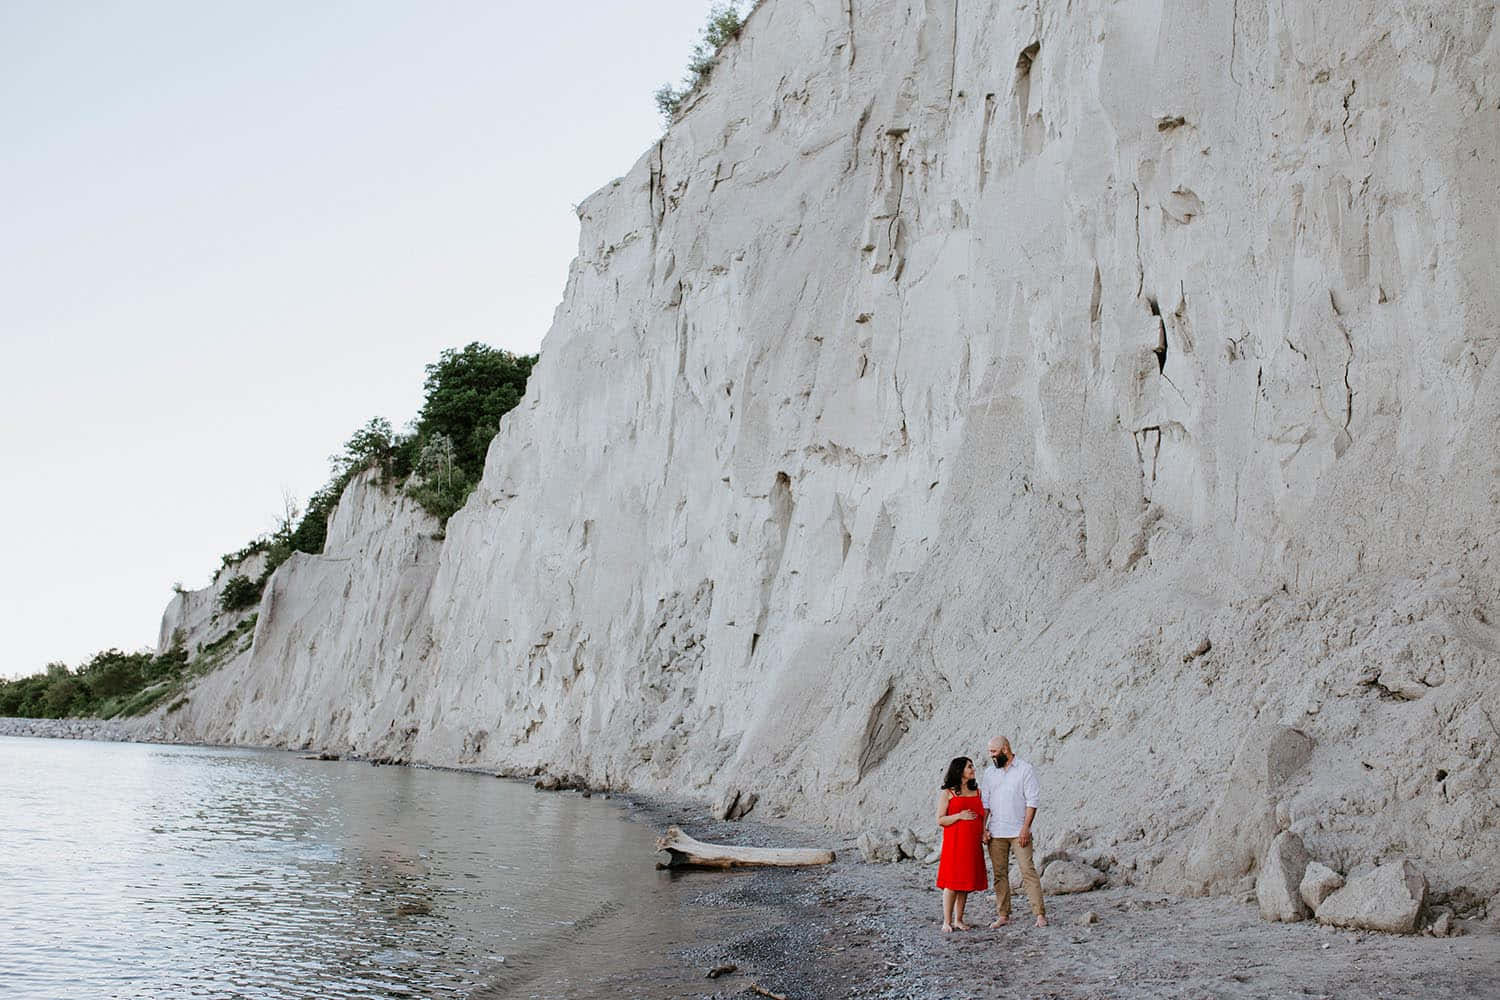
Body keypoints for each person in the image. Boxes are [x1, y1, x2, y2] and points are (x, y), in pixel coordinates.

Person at [979, 735, 1048, 927]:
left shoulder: (1025, 769)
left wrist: (1025, 828)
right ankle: (1003, 914)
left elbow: (1032, 801)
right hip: (996, 832)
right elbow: (985, 805)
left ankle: (1039, 914)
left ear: (1005, 749)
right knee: (1000, 874)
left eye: (993, 751)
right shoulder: (989, 773)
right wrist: (983, 829)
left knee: (1028, 871)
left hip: (1019, 831)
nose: (991, 755)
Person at [935, 756, 987, 932]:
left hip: (972, 843)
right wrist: (959, 816)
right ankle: (946, 921)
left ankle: (959, 919)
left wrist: (983, 832)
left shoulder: (977, 791)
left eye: (972, 766)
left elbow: (982, 815)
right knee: (951, 883)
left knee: (965, 883)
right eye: (969, 767)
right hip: (955, 843)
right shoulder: (948, 792)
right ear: (960, 771)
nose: (973, 769)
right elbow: (940, 819)